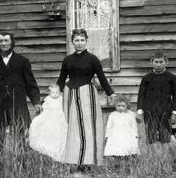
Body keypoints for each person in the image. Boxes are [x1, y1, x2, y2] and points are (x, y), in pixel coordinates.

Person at [57, 28, 116, 170]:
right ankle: (74, 161)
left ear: (86, 41)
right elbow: (61, 79)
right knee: (72, 128)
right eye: (76, 40)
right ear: (72, 42)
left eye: (82, 40)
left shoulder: (93, 59)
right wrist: (54, 96)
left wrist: (110, 93)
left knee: (87, 127)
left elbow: (101, 77)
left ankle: (88, 161)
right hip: (70, 95)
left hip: (87, 96)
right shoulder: (67, 60)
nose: (79, 43)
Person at [0, 32, 42, 151]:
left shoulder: (23, 61)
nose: (3, 44)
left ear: (12, 42)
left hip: (18, 105)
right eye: (1, 41)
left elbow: (31, 84)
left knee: (20, 138)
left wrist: (36, 101)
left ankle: (21, 166)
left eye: (6, 41)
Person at [136, 50, 176, 144]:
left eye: (161, 62)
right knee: (151, 138)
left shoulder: (171, 78)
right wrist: (140, 112)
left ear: (166, 62)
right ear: (151, 62)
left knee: (165, 138)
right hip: (150, 112)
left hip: (166, 111)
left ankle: (164, 158)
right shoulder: (146, 78)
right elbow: (141, 95)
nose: (158, 65)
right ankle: (152, 157)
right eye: (156, 62)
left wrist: (175, 113)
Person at [29, 84, 67, 162]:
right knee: (47, 131)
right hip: (49, 117)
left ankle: (59, 153)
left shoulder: (61, 99)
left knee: (60, 133)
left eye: (57, 92)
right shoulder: (47, 99)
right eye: (52, 93)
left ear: (59, 92)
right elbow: (44, 110)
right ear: (49, 93)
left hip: (60, 117)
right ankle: (48, 153)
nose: (55, 94)